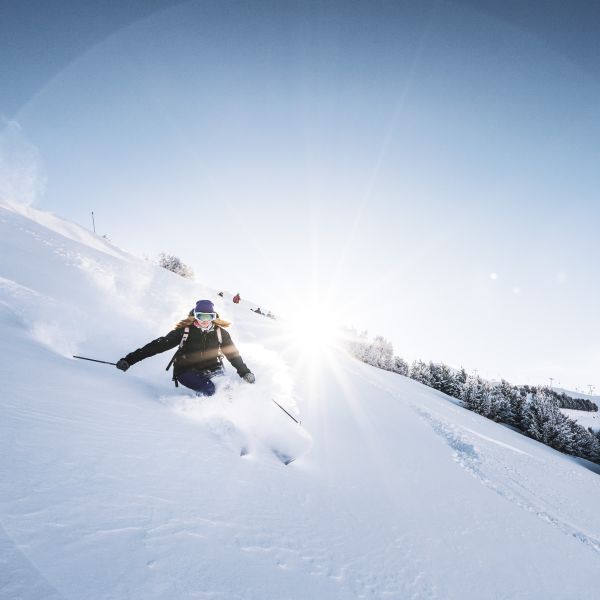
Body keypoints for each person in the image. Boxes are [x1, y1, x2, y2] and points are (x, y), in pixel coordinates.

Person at [116, 299, 255, 396]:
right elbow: (157, 346)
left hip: (212, 367)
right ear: (195, 316)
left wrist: (245, 373)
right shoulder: (185, 331)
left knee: (227, 391)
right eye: (201, 316)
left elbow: (233, 355)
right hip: (186, 370)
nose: (205, 321)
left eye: (209, 316)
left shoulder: (220, 333)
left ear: (213, 317)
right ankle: (202, 413)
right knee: (210, 389)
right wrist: (129, 360)